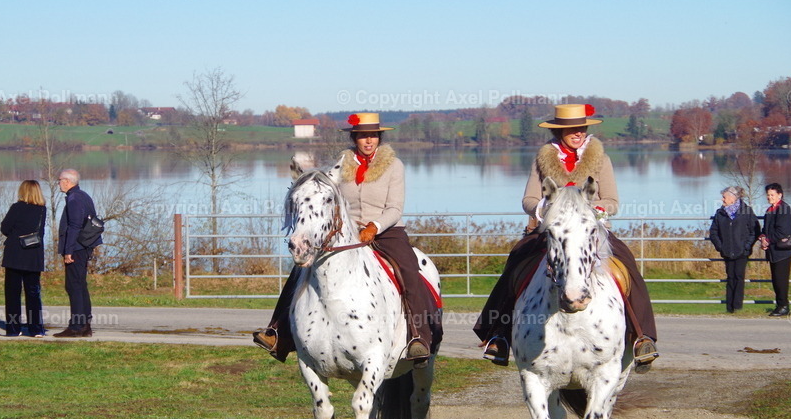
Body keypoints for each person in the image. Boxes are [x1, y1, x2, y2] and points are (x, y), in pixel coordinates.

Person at [473, 103, 658, 371]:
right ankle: (499, 334)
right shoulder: (542, 159)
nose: (577, 133)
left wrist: (596, 209)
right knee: (516, 260)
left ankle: (642, 335)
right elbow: (528, 199)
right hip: (552, 230)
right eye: (571, 130)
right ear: (560, 132)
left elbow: (613, 200)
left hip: (590, 229)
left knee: (627, 262)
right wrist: (544, 210)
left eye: (581, 128)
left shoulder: (601, 159)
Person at [253, 112, 441, 363]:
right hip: (347, 232)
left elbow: (395, 209)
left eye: (373, 136)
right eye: (363, 136)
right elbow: (325, 193)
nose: (368, 141)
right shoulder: (341, 165)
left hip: (387, 230)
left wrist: (374, 227)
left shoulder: (395, 165)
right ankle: (278, 331)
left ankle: (419, 336)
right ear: (355, 138)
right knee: (300, 271)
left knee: (409, 270)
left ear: (379, 138)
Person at [55, 169, 100, 338]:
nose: (58, 183)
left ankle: (76, 326)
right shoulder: (83, 195)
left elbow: (74, 226)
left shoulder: (74, 199)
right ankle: (84, 325)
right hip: (84, 246)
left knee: (74, 285)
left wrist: (68, 251)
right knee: (80, 285)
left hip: (77, 248)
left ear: (67, 181)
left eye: (59, 180)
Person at [1, 180, 48, 336]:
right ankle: (36, 329)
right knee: (33, 293)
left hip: (15, 253)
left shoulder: (16, 208)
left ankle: (13, 329)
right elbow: (41, 232)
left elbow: (5, 228)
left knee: (13, 293)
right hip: (33, 254)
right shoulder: (42, 210)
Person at [709, 186, 760, 313]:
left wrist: (747, 246)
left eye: (724, 197)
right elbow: (713, 232)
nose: (722, 199)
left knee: (739, 277)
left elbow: (755, 231)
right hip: (727, 251)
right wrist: (721, 247)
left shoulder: (746, 212)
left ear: (732, 198)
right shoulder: (720, 213)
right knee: (730, 277)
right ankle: (729, 306)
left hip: (741, 251)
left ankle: (737, 306)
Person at [759, 182, 791, 317]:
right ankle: (780, 304)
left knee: (781, 279)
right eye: (768, 195)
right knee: (776, 279)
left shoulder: (784, 209)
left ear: (779, 195)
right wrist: (763, 237)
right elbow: (766, 229)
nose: (769, 197)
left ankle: (783, 306)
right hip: (774, 250)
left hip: (783, 251)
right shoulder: (770, 210)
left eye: (772, 195)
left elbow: (783, 231)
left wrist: (768, 240)